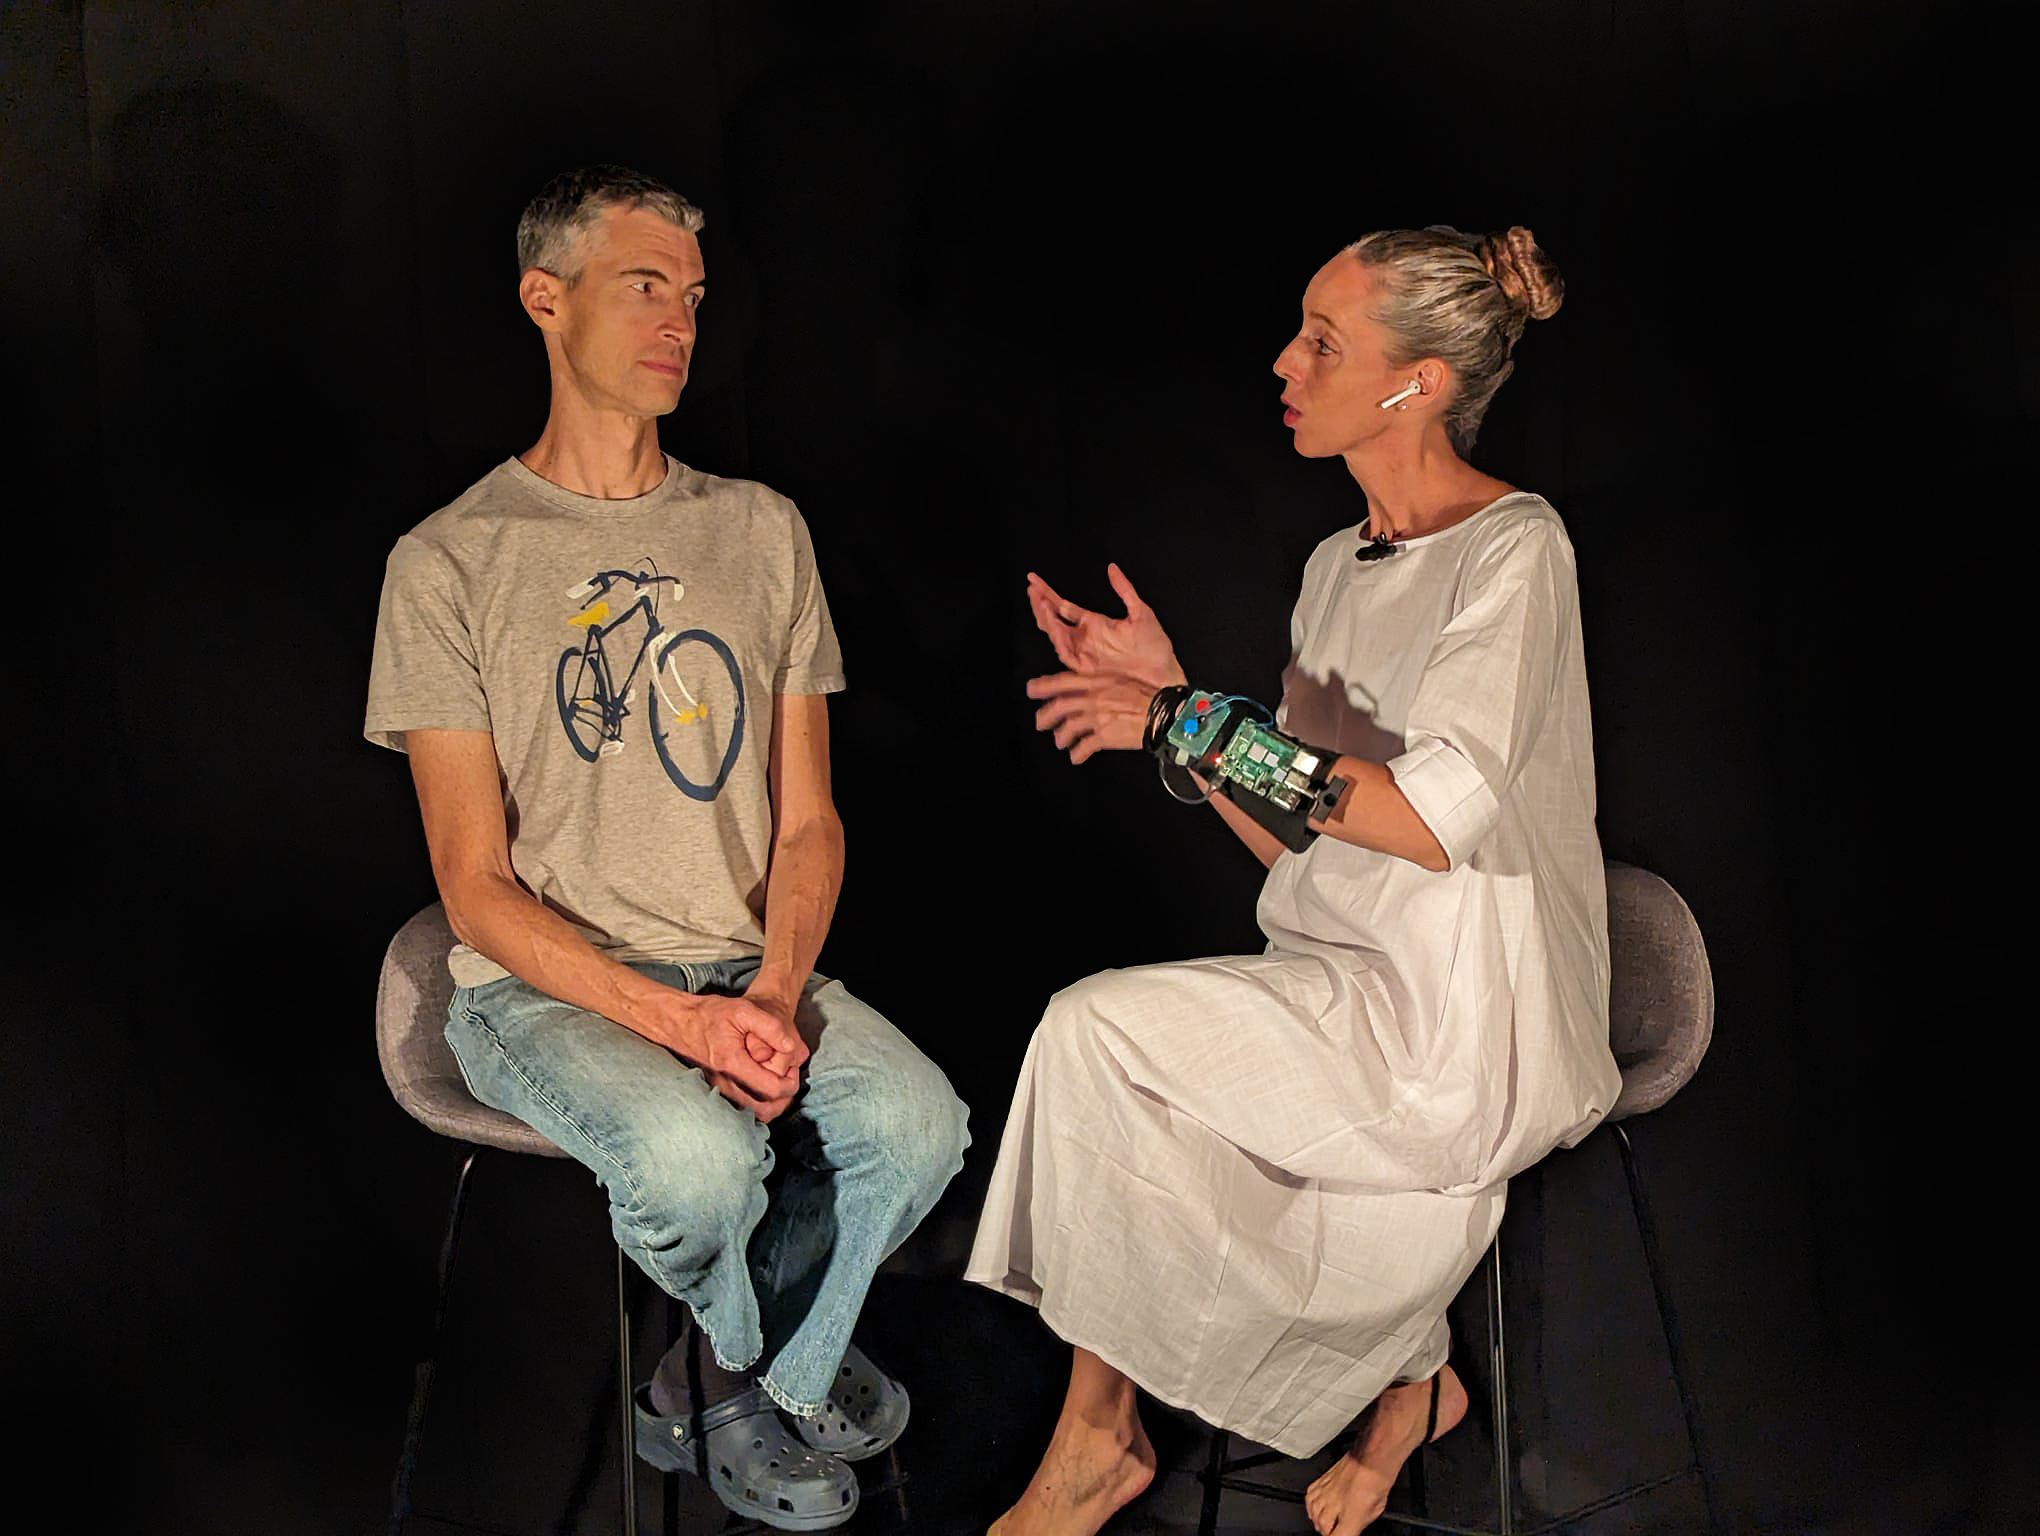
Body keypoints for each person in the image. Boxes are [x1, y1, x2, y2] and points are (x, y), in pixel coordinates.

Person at [966, 226, 1619, 1536]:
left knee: (1097, 1034)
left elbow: (1432, 823)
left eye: (1324, 339)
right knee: (1122, 1065)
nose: (1284, 360)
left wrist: (1198, 720)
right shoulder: (1334, 567)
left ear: (1417, 383)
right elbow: (1308, 838)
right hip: (1336, 983)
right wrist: (1170, 717)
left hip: (1458, 1026)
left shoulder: (1515, 552)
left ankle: (1098, 1442)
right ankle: (1405, 1378)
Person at [364, 164, 968, 1531]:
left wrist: (763, 994)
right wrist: (675, 1027)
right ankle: (767, 1375)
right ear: (545, 299)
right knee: (702, 1168)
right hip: (545, 986)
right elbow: (476, 887)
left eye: (692, 296)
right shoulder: (448, 561)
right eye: (644, 286)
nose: (679, 322)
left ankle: (720, 1375)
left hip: (741, 962)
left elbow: (810, 824)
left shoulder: (760, 531)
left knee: (917, 1127)